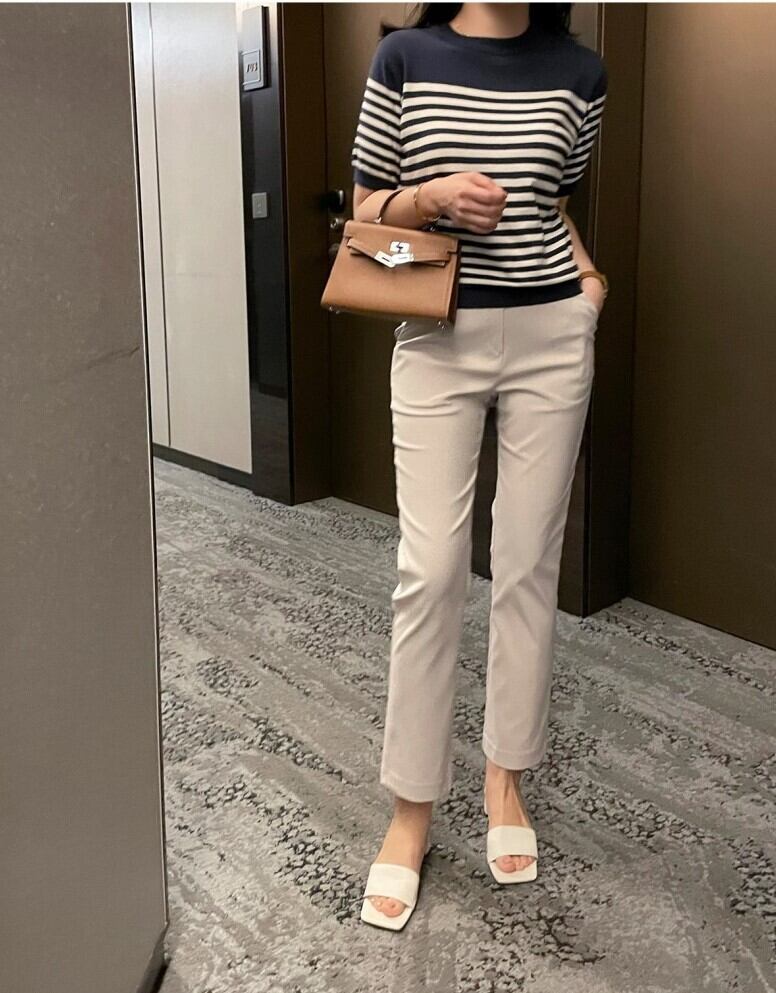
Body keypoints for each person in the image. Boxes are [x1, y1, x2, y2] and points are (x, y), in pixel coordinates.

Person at [351, 2, 609, 930]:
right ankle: (411, 808)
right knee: (430, 571)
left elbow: (556, 204)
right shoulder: (404, 57)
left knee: (529, 564)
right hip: (437, 333)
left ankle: (506, 778)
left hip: (551, 333)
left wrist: (587, 289)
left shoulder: (580, 72)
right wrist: (429, 199)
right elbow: (363, 210)